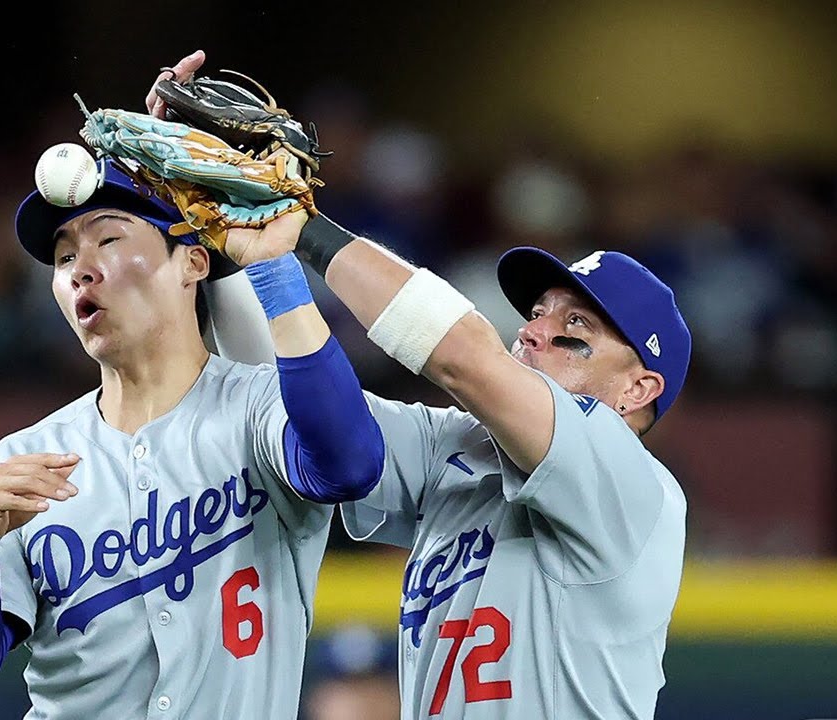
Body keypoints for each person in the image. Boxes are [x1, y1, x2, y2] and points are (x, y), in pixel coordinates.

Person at [148, 52, 692, 719]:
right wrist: (237, 252)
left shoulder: (632, 485)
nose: (533, 331)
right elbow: (289, 403)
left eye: (574, 326)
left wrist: (299, 225)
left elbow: (464, 358)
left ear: (638, 390)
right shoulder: (459, 450)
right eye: (537, 313)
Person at [0, 156, 386, 719]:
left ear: (192, 262)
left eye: (109, 239)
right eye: (64, 258)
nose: (80, 270)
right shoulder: (20, 462)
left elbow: (352, 466)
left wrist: (273, 269)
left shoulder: (261, 413)